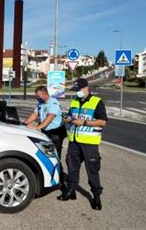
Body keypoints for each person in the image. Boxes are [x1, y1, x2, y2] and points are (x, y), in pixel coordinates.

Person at [58, 78, 108, 211]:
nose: (76, 93)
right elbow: (71, 115)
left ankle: (96, 196)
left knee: (92, 170)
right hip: (74, 141)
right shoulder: (74, 101)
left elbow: (103, 122)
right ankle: (71, 191)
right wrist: (68, 119)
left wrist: (84, 123)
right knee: (72, 167)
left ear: (86, 88)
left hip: (89, 143)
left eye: (78, 90)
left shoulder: (96, 102)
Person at [24, 85, 66, 191]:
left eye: (38, 96)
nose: (37, 98)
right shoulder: (40, 103)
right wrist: (24, 124)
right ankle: (48, 178)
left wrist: (38, 127)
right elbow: (34, 114)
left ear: (45, 94)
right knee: (46, 155)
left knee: (54, 157)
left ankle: (61, 183)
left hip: (55, 133)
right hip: (46, 132)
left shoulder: (53, 103)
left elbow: (50, 118)